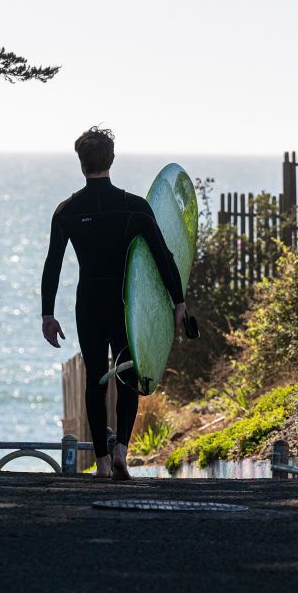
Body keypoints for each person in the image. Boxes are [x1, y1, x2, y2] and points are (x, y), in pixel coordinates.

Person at [40, 127, 187, 480]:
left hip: (88, 302)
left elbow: (53, 265)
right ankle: (122, 448)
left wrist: (47, 313)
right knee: (130, 376)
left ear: (81, 163)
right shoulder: (134, 207)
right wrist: (178, 301)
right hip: (127, 305)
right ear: (112, 159)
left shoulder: (68, 210)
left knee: (95, 379)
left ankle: (103, 464)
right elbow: (164, 257)